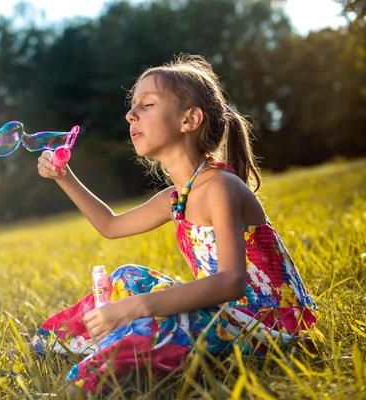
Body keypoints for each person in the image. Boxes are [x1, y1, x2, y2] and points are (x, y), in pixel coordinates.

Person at [30, 54, 322, 397]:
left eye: (146, 104)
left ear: (190, 119)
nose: (130, 114)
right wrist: (64, 177)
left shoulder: (220, 187)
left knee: (157, 319)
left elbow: (231, 282)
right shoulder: (175, 198)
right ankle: (48, 347)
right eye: (132, 106)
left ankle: (90, 377)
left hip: (275, 327)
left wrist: (136, 307)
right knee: (127, 277)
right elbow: (109, 225)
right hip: (227, 317)